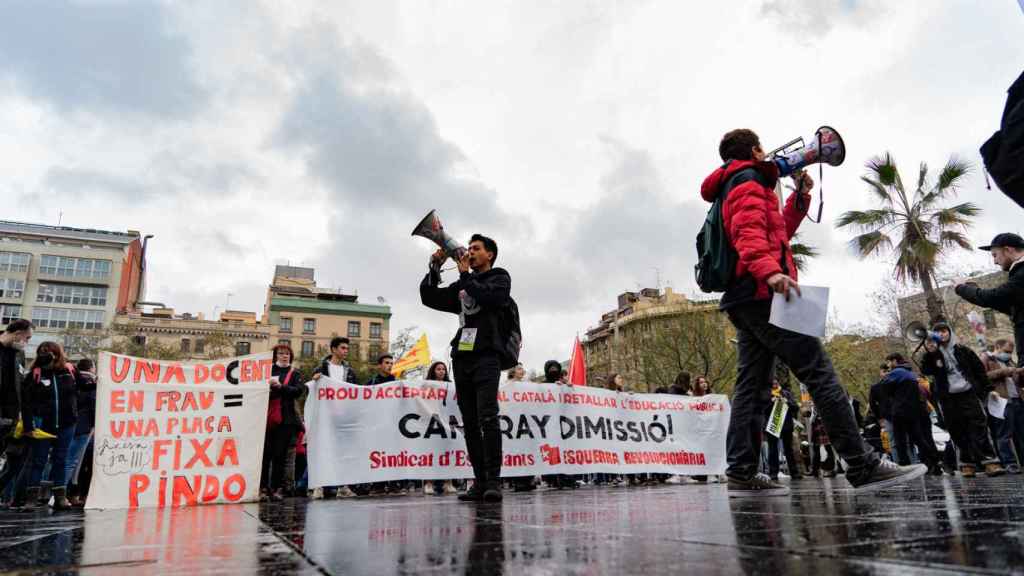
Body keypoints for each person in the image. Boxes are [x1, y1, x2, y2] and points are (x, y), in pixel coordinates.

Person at [701, 128, 924, 496]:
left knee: (752, 387)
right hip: (761, 293)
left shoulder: (736, 183)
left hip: (745, 296)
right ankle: (861, 463)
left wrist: (800, 200)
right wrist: (770, 271)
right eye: (762, 146)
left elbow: (776, 234)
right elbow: (748, 232)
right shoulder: (748, 180)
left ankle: (741, 470)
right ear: (755, 150)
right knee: (819, 373)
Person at [420, 234, 512, 503]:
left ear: (489, 255)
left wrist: (464, 275)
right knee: (469, 422)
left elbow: (492, 298)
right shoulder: (463, 284)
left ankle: (494, 480)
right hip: (462, 357)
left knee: (487, 416)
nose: (470, 252)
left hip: (487, 356)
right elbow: (429, 297)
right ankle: (479, 481)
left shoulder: (499, 277)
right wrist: (434, 268)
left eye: (476, 249)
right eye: (468, 248)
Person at [920, 320, 1005, 477]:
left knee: (978, 427)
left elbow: (979, 371)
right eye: (938, 332)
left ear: (950, 333)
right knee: (956, 430)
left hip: (968, 394)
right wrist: (930, 352)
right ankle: (967, 464)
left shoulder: (963, 351)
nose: (942, 334)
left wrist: (989, 389)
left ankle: (990, 462)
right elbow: (925, 370)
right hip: (948, 398)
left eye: (945, 331)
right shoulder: (933, 355)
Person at [11, 341, 77, 510]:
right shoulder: (35, 374)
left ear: (58, 354)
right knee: (38, 461)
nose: (47, 355)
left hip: (66, 423)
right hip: (42, 425)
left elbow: (85, 388)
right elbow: (25, 402)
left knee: (60, 460)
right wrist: (28, 427)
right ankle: (31, 499)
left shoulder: (68, 371)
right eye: (43, 352)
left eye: (50, 352)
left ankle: (60, 498)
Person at [956, 232, 1024, 367]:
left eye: (995, 255)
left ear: (1007, 250)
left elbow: (993, 298)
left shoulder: (1021, 273)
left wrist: (960, 288)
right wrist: (975, 289)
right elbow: (1010, 306)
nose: (995, 261)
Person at [311, 337, 359, 499]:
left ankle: (343, 486)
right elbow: (311, 391)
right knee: (323, 450)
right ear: (333, 349)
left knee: (343, 451)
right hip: (325, 416)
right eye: (343, 348)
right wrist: (315, 381)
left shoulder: (350, 371)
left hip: (343, 417)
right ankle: (319, 486)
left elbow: (356, 392)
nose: (346, 351)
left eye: (347, 348)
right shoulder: (321, 369)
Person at [881, 353, 942, 475]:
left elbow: (884, 387)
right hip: (914, 412)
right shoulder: (910, 373)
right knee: (919, 439)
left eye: (889, 362)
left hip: (900, 412)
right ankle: (935, 462)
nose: (888, 366)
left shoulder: (896, 372)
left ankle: (904, 465)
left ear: (894, 361)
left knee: (900, 441)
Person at [262, 344, 304, 501]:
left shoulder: (295, 373)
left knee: (280, 456)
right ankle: (264, 487)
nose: (284, 356)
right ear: (275, 355)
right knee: (266, 456)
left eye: (287, 354)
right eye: (281, 353)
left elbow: (298, 391)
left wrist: (281, 387)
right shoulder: (267, 371)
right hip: (268, 419)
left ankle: (277, 488)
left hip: (286, 421)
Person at [0, 319, 33, 505]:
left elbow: (21, 389)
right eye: (26, 337)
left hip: (8, 417)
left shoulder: (18, 354)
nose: (26, 342)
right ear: (18, 332)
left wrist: (24, 420)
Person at [982, 339, 1022, 474]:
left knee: (1020, 433)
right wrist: (1003, 371)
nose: (1009, 354)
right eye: (1006, 351)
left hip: (1017, 399)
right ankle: (1009, 463)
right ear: (997, 347)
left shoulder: (1010, 361)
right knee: (1004, 434)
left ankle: (1021, 461)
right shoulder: (987, 358)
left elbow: (1017, 381)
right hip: (1001, 401)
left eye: (1011, 352)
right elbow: (982, 377)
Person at [423, 361, 460, 496]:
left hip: (447, 423)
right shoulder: (425, 386)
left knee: (448, 453)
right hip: (431, 423)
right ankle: (429, 483)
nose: (441, 371)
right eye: (438, 369)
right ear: (433, 371)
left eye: (443, 369)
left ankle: (448, 483)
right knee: (430, 454)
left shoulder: (451, 387)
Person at [66, 358, 97, 506]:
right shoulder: (91, 383)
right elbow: (93, 405)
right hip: (85, 428)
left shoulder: (73, 380)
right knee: (78, 464)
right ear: (91, 368)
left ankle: (67, 494)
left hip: (71, 425)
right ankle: (71, 494)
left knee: (70, 461)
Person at [765, 380, 801, 481]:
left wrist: (786, 402)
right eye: (773, 384)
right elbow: (761, 410)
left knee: (788, 449)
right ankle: (773, 473)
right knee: (772, 450)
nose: (775, 385)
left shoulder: (786, 394)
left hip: (786, 426)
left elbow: (795, 407)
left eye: (776, 383)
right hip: (772, 426)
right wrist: (771, 402)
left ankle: (794, 472)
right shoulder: (766, 395)